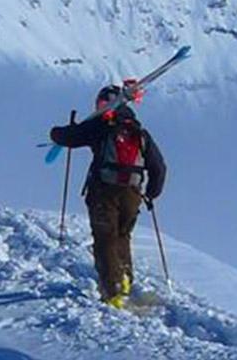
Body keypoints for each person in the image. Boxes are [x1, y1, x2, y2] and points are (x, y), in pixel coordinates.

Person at [49, 82, 167, 309]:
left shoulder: (101, 125)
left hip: (103, 190)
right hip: (132, 193)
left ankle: (113, 291)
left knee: (105, 238)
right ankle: (124, 279)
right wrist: (151, 193)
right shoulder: (139, 132)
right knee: (122, 235)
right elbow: (159, 167)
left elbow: (69, 137)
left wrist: (56, 133)